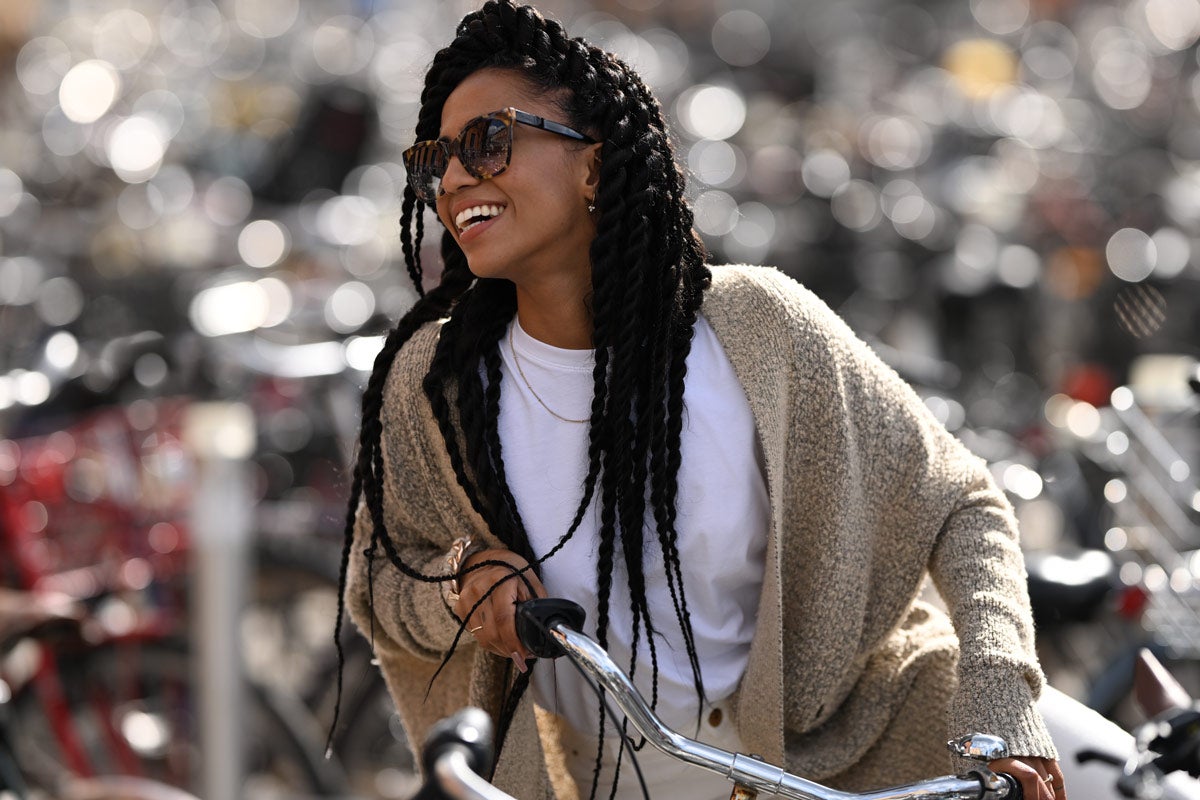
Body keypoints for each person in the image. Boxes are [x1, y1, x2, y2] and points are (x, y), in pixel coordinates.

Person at [332, 2, 1067, 798]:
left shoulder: (761, 330)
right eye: (435, 158)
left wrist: (1000, 704)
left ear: (593, 164)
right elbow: (379, 589)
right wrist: (461, 589)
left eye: (490, 141)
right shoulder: (434, 389)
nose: (455, 177)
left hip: (867, 768)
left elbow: (961, 505)